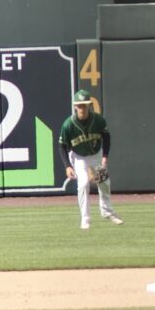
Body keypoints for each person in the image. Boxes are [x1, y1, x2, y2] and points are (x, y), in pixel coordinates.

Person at [61, 92, 120, 228]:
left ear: (89, 106)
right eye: (79, 106)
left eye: (85, 106)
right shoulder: (68, 125)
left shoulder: (98, 120)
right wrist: (67, 166)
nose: (82, 108)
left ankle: (107, 211)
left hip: (96, 155)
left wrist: (105, 156)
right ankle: (85, 218)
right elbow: (62, 146)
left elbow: (106, 137)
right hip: (79, 157)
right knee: (83, 184)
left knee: (104, 182)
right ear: (75, 107)